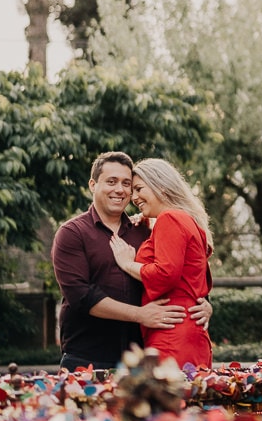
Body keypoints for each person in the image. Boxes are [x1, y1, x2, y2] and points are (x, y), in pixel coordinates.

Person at [51, 152, 211, 372]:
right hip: (87, 357)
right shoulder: (72, 233)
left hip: (141, 358)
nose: (121, 190)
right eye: (111, 182)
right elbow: (81, 295)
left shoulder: (146, 230)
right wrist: (140, 314)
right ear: (92, 185)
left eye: (128, 184)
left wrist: (204, 304)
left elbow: (186, 269)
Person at [108, 157, 214, 370]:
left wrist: (127, 263)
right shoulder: (182, 219)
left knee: (169, 400)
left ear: (161, 187)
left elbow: (165, 274)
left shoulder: (170, 219)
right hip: (182, 327)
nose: (134, 197)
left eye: (139, 189)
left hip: (172, 330)